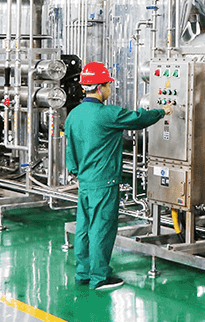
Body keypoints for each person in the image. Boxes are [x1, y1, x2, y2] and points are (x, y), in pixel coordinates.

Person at [65, 61, 171, 291]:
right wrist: (163, 111)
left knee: (84, 229)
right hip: (103, 182)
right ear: (100, 87)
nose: (109, 89)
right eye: (108, 85)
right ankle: (99, 277)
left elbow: (70, 151)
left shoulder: (73, 114)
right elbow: (138, 119)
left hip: (85, 182)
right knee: (101, 229)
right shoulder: (107, 114)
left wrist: (77, 172)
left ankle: (83, 273)